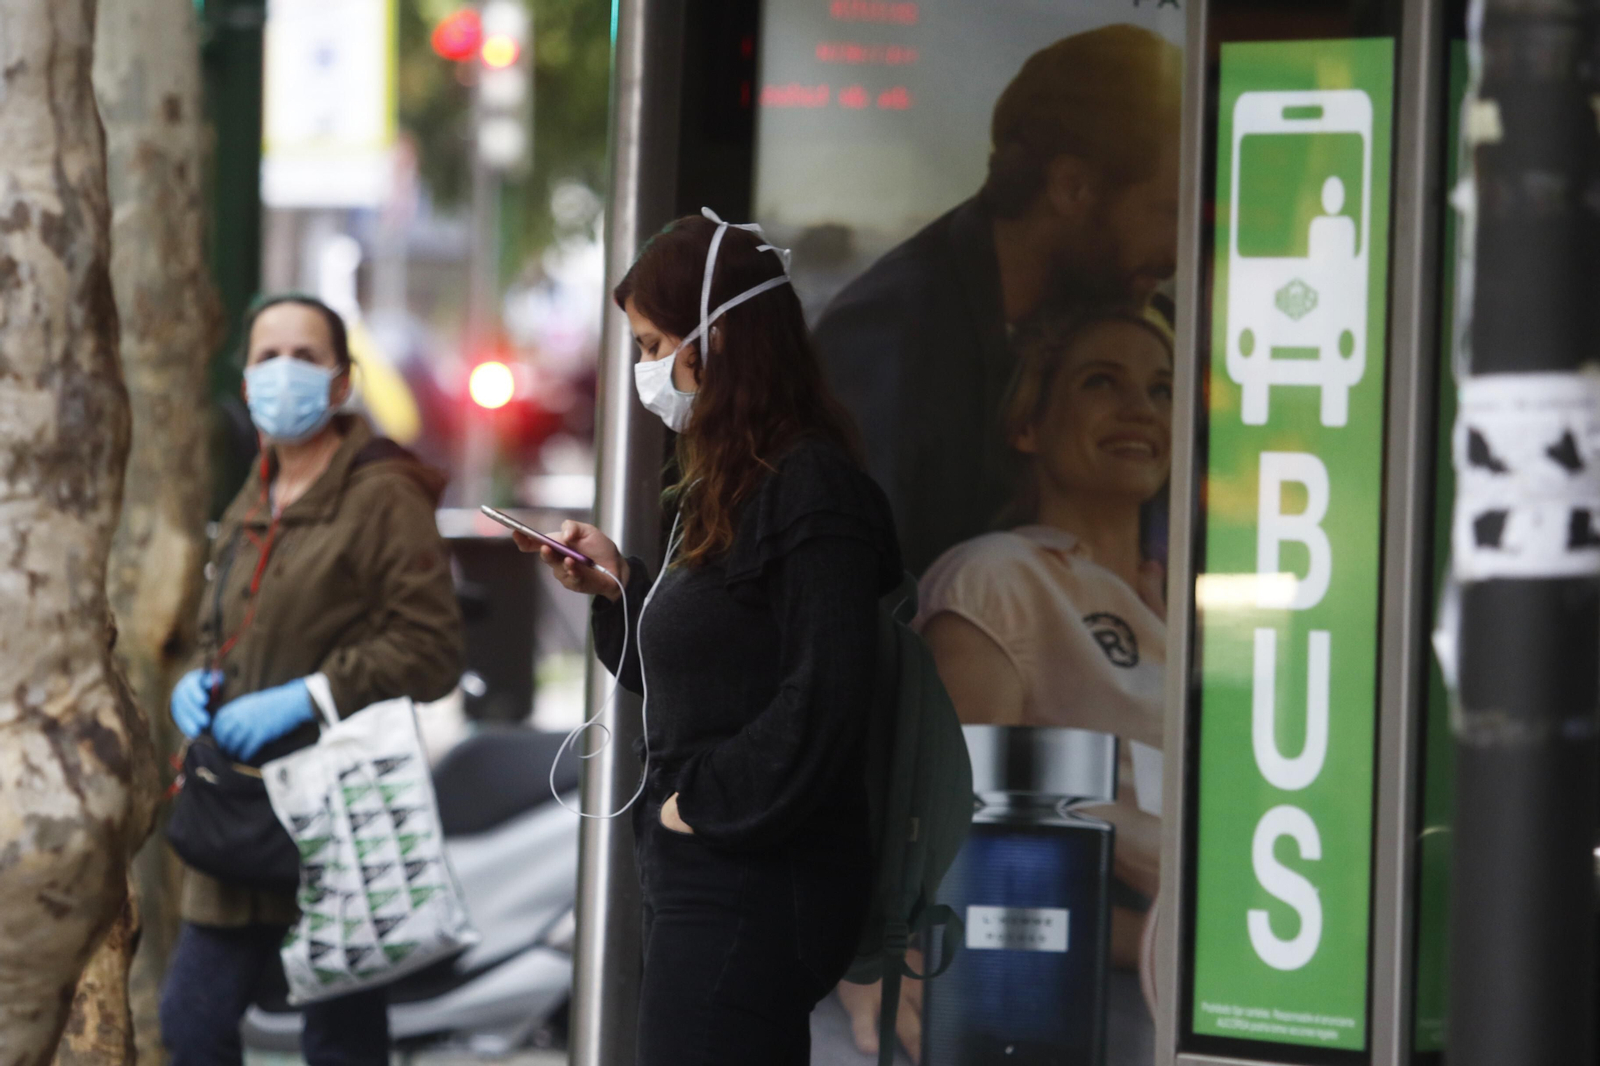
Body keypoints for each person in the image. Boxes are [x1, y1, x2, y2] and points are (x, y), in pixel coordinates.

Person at [515, 212, 902, 1066]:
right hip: (714, 870)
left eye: (654, 345)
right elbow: (706, 673)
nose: (647, 369)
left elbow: (828, 691)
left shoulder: (811, 485)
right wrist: (621, 587)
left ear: (715, 336)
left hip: (756, 875)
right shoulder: (733, 482)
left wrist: (696, 804)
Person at [158, 294, 464, 1066]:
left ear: (341, 382)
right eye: (267, 357)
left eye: (305, 356)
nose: (283, 372)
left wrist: (311, 695)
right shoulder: (255, 491)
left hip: (338, 825)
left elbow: (432, 650)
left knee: (341, 1044)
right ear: (245, 379)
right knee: (190, 1025)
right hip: (237, 817)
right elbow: (227, 624)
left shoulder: (382, 492)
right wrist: (200, 679)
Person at [813, 24, 1182, 576]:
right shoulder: (886, 339)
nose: (1180, 250)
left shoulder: (1136, 318)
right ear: (1072, 187)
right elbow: (842, 588)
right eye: (1168, 211)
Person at [917, 307, 1173, 1063]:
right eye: (1102, 382)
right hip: (1077, 1000)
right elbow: (958, 847)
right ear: (1027, 423)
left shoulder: (1197, 599)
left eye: (1162, 390)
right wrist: (1169, 940)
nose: (1140, 408)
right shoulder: (998, 578)